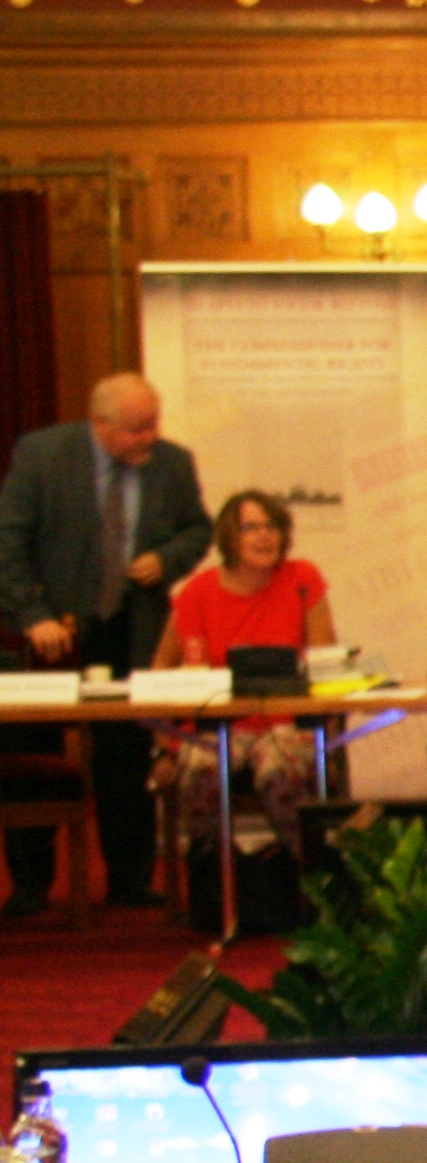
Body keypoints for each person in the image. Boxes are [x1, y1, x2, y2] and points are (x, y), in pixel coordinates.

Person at [0, 374, 211, 911]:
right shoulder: (42, 455)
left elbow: (198, 530)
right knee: (36, 746)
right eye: (137, 428)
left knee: (126, 755)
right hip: (55, 631)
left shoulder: (172, 463)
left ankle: (130, 880)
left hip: (133, 627)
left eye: (153, 424)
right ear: (100, 424)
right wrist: (33, 615)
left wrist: (167, 559)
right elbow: (8, 542)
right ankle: (31, 885)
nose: (150, 437)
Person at [151, 488, 332, 892]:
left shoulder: (303, 579)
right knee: (201, 771)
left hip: (286, 723)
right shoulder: (197, 592)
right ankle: (217, 882)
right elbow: (161, 670)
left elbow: (327, 664)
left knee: (280, 772)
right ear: (229, 538)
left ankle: (310, 882)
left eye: (271, 526)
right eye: (251, 528)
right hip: (218, 725)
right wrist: (164, 746)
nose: (264, 536)